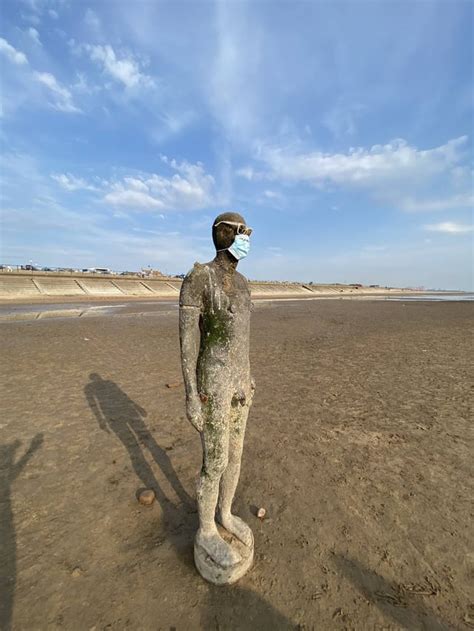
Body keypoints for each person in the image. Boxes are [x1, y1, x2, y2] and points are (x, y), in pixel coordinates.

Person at [179, 212, 255, 571]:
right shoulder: (200, 278)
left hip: (240, 384)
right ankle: (206, 529)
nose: (247, 239)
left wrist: (248, 377)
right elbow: (189, 339)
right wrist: (191, 394)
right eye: (243, 232)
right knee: (216, 461)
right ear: (223, 234)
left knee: (236, 456)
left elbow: (243, 339)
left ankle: (225, 513)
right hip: (213, 382)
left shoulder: (243, 285)